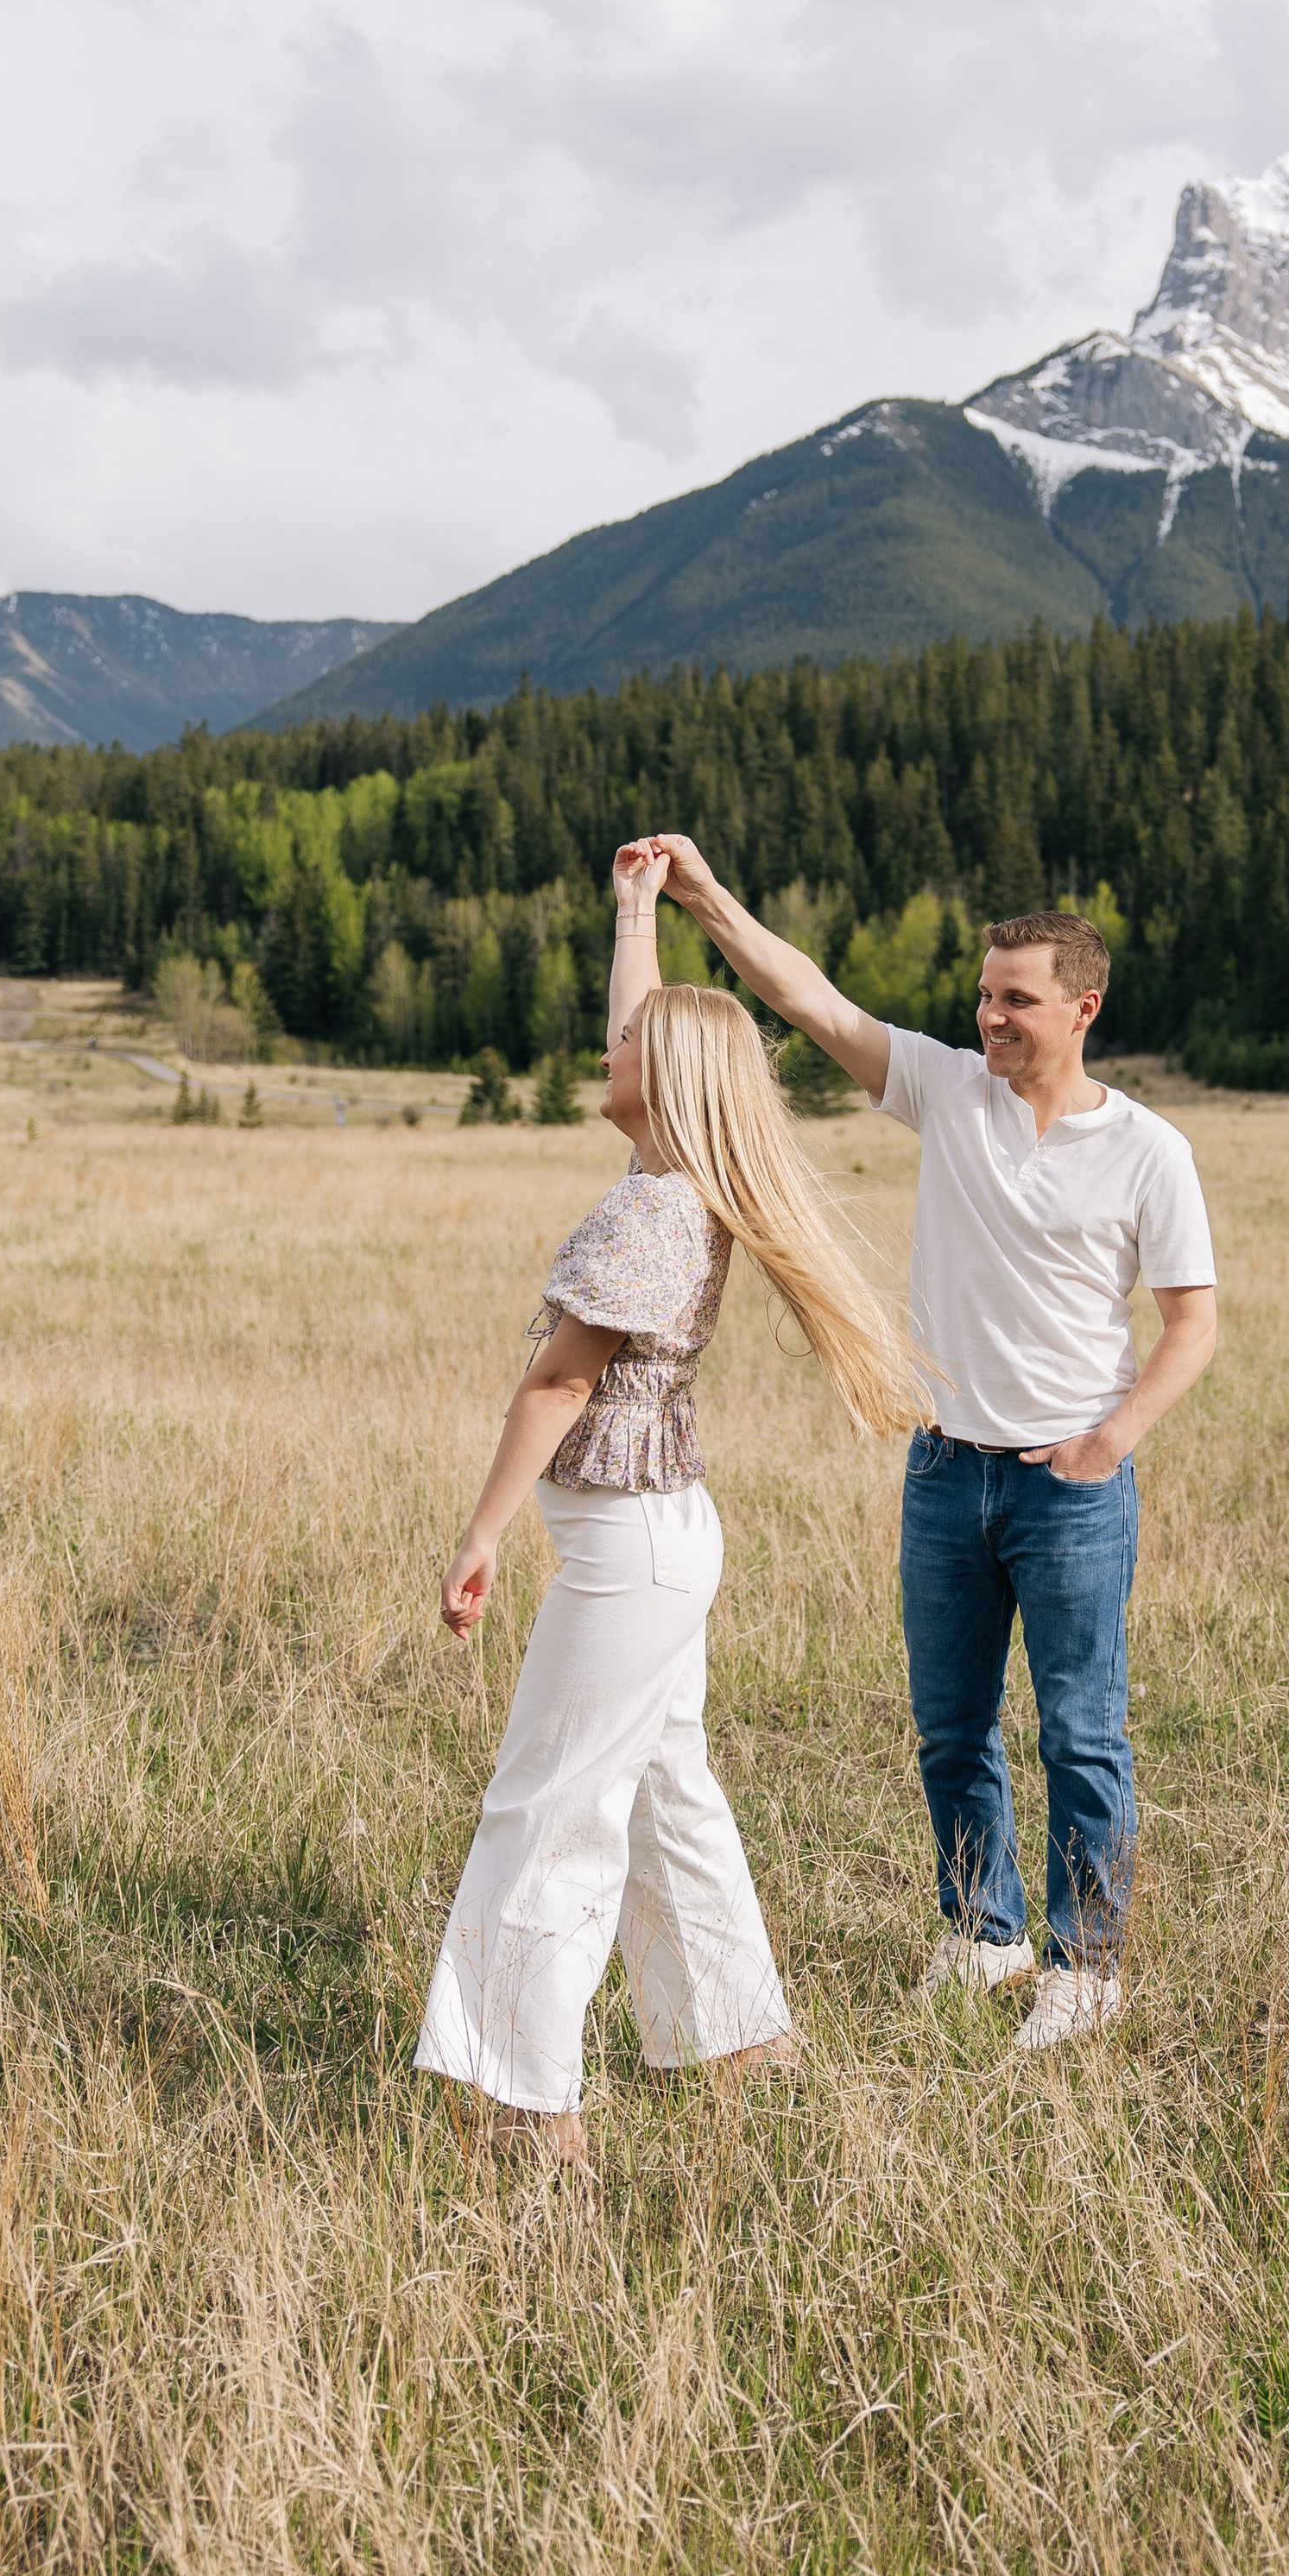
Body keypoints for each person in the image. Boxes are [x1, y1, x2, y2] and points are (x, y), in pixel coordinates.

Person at [641, 839, 1217, 2052]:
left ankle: (1087, 1964)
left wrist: (1110, 1442)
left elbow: (1192, 1327)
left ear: (1082, 1007)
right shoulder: (948, 1090)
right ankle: (983, 1933)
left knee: (1082, 1732)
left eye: (1016, 997)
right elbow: (811, 999)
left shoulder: (1148, 1152)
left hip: (1071, 1487)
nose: (989, 1015)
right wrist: (700, 899)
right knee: (950, 1727)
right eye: (983, 994)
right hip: (947, 1472)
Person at [415, 842, 924, 2163]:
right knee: (660, 1787)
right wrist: (636, 910)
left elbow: (558, 1382)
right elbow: (642, 1029)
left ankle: (527, 2102)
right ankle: (738, 2040)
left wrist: (479, 1534)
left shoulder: (650, 1213)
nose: (613, 1044)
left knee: (550, 1802)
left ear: (667, 1084)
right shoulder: (677, 1180)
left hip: (630, 1553)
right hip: (662, 1537)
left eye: (635, 1043)